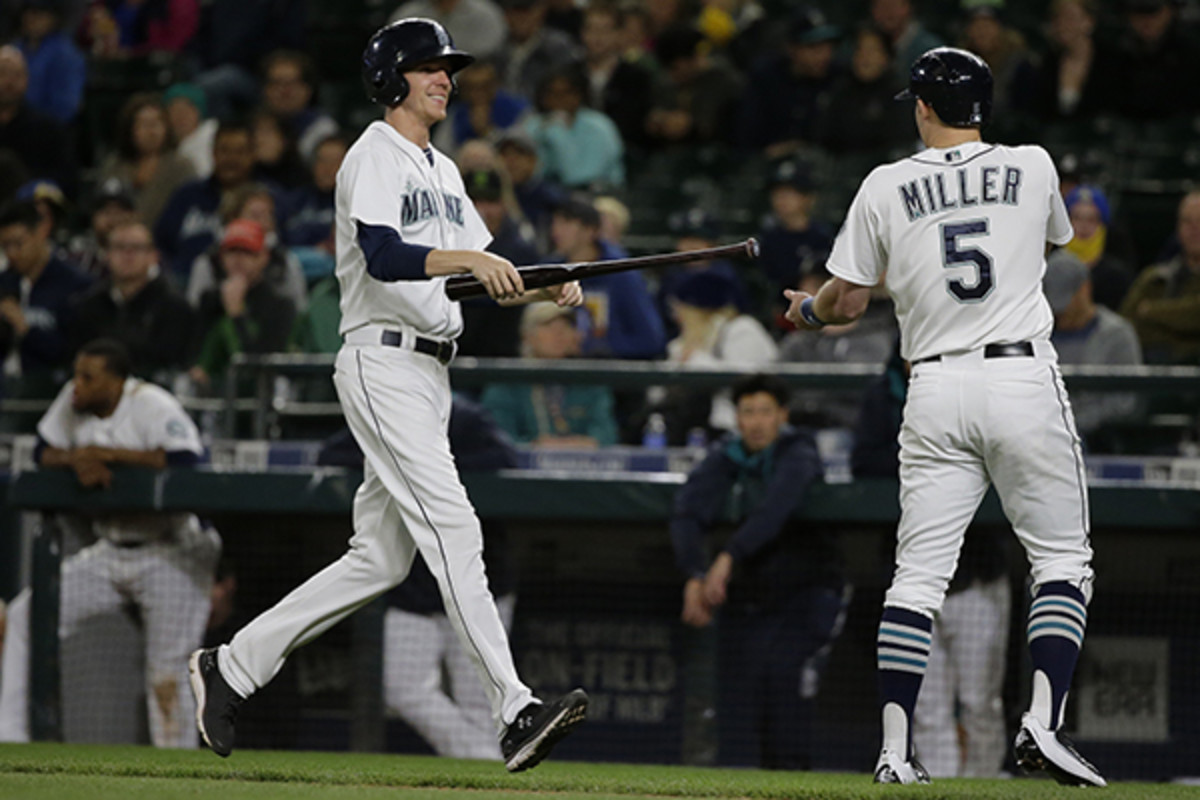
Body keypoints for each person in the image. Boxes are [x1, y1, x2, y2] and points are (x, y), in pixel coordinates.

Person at [187, 18, 588, 772]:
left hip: (431, 370)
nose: (445, 78)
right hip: (382, 362)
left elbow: (482, 272)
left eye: (447, 68)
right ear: (392, 78)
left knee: (377, 559)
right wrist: (475, 258)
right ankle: (513, 707)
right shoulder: (374, 154)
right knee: (454, 526)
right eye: (430, 66)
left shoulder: (442, 168)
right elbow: (383, 252)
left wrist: (544, 283)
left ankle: (232, 667)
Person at [784, 48, 1105, 786]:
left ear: (923, 106)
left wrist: (807, 312)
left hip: (931, 384)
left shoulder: (885, 183)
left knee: (916, 578)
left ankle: (895, 752)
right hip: (1020, 373)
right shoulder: (1033, 165)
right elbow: (1055, 241)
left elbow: (849, 301)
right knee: (1060, 561)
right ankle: (1041, 723)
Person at [35, 338, 220, 746]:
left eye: (89, 377)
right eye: (76, 374)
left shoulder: (152, 404)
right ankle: (10, 738)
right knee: (27, 617)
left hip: (172, 549)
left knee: (167, 673)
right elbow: (41, 451)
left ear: (117, 382)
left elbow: (187, 462)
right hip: (108, 551)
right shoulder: (74, 399)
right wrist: (76, 459)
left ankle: (179, 775)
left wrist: (108, 454)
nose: (76, 385)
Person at [850, 343, 1013, 778]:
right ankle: (939, 788)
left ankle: (982, 787)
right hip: (912, 575)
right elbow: (863, 463)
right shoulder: (883, 395)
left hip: (975, 574)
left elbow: (999, 463)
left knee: (981, 702)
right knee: (928, 708)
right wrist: (932, 462)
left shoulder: (979, 387)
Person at [670, 373, 848, 769]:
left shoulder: (799, 450)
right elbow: (687, 511)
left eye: (765, 412)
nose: (755, 422)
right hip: (756, 599)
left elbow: (775, 509)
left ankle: (797, 786)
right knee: (747, 692)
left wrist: (729, 556)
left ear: (781, 415)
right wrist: (695, 573)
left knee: (786, 682)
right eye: (747, 412)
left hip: (810, 593)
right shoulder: (727, 454)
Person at [68, 219, 195, 376]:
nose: (128, 255)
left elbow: (174, 365)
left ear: (153, 256)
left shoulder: (174, 308)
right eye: (120, 247)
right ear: (106, 255)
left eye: (136, 248)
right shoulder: (88, 306)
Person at [481, 303, 618, 447]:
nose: (559, 333)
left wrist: (566, 447)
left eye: (566, 326)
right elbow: (498, 440)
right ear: (527, 335)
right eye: (549, 326)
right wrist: (535, 447)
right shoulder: (506, 385)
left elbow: (607, 435)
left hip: (586, 467)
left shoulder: (589, 382)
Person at [1044, 249, 1143, 443]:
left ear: (1085, 289)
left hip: (1099, 440)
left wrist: (1075, 423)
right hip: (1045, 435)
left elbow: (1127, 400)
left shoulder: (1116, 335)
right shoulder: (1042, 335)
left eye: (1065, 303)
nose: (1060, 313)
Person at [549, 195, 664, 359]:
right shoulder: (550, 269)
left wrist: (594, 349)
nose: (556, 231)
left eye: (566, 223)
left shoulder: (621, 273)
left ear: (590, 231)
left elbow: (651, 339)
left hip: (608, 374)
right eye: (555, 222)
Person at [187, 219, 296, 390]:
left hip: (257, 397)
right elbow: (195, 354)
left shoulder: (280, 305)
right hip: (212, 394)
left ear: (264, 257)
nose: (238, 259)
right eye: (231, 252)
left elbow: (261, 363)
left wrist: (237, 314)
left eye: (247, 252)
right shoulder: (209, 300)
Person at [154, 120, 259, 281]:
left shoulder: (265, 198)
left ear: (252, 155)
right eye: (224, 151)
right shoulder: (187, 195)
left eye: (239, 152)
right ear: (213, 153)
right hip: (184, 287)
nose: (231, 159)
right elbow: (160, 244)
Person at [0, 199, 93, 382]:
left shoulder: (75, 285)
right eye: (5, 246)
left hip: (47, 388)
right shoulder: (4, 282)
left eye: (18, 244)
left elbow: (70, 353)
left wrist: (24, 326)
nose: (12, 253)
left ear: (40, 233)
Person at [1120, 190, 1200, 365]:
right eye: (1187, 221)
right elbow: (1126, 326)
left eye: (1199, 221)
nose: (1194, 229)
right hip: (1153, 376)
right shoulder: (1154, 277)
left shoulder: (1153, 291)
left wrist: (1150, 310)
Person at [100, 92, 197, 230]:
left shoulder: (181, 166)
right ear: (129, 130)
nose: (152, 131)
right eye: (144, 124)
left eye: (157, 123)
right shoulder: (115, 165)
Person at [522, 65, 624, 191]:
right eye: (552, 93)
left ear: (579, 95)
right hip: (548, 195)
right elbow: (529, 174)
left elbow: (576, 177)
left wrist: (556, 132)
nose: (559, 99)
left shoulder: (599, 126)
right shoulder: (533, 125)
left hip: (599, 193)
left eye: (566, 93)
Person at [0, 45, 76, 196]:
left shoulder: (49, 129)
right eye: (2, 73)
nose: (9, 81)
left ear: (27, 80)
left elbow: (67, 181)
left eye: (16, 75)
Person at [259, 50, 340, 165]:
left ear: (308, 89)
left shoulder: (323, 130)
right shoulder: (252, 126)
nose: (284, 92)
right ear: (265, 89)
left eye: (292, 83)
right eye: (277, 83)